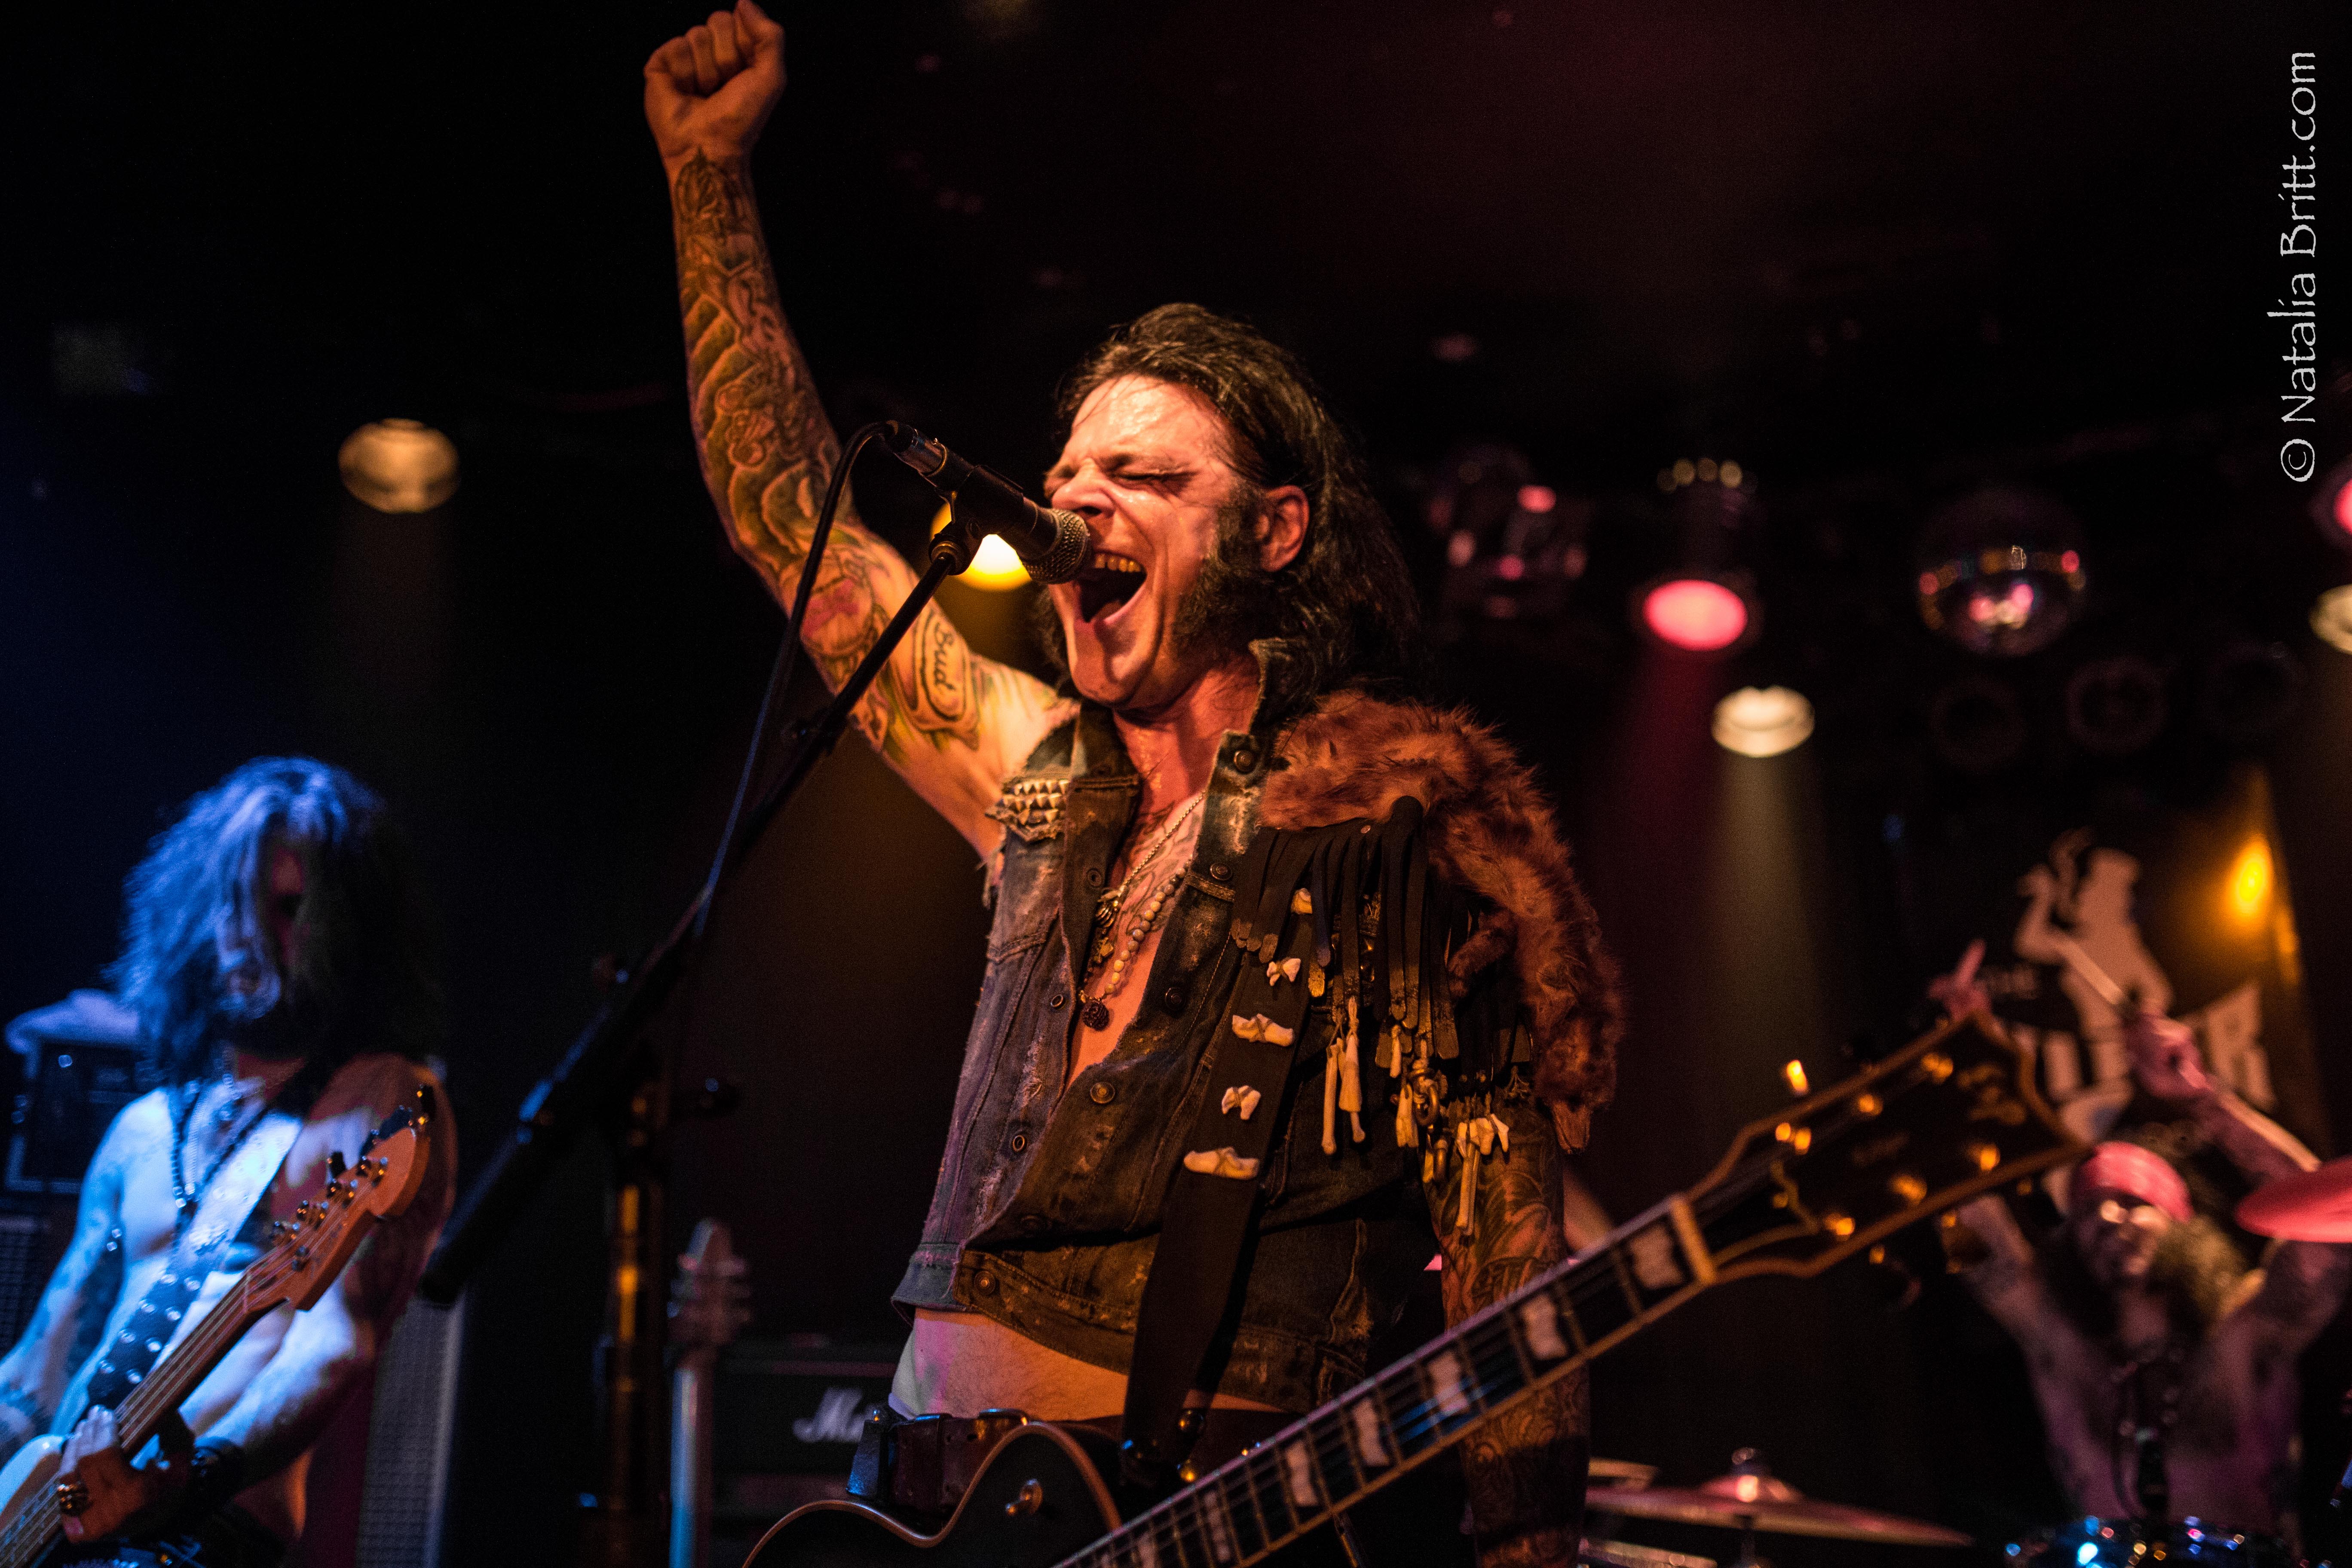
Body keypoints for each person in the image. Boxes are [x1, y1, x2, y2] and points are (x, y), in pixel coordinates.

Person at [643, 8, 1623, 1564]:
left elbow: (1511, 1268)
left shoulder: (1402, 832)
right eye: (1070, 477)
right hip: (927, 1508)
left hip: (1204, 1513)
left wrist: (1526, 1547)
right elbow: (791, 524)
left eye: (1148, 479)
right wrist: (708, 179)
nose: (1082, 502)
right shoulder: (1035, 775)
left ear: (1275, 532)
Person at [0, 759, 456, 1567]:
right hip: (45, 1525)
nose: (249, 935)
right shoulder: (143, 1129)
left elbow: (333, 1346)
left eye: (288, 909)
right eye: (233, 904)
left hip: (201, 1528)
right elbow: (36, 1377)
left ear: (348, 927)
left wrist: (195, 1481)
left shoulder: (381, 1103)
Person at [1932, 950, 2347, 1546]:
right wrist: (1966, 1063)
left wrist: (2201, 1099)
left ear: (2181, 1226)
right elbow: (1975, 1234)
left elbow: (2327, 1219)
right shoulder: (2063, 1347)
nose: (2108, 1218)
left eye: (2132, 1203)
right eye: (2088, 1212)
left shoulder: (2246, 1339)